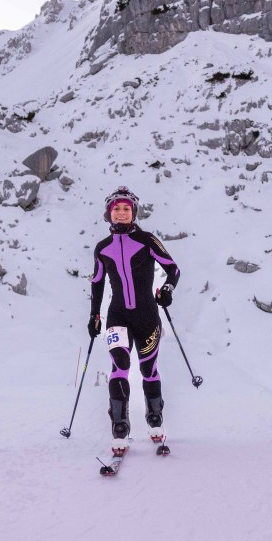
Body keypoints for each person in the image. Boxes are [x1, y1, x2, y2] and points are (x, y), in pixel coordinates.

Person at [88, 186, 180, 454]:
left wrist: (167, 290)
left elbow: (173, 270)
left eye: (126, 208)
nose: (121, 212)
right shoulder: (102, 248)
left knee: (148, 369)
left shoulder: (147, 240)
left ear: (134, 212)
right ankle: (119, 427)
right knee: (119, 366)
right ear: (109, 213)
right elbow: (97, 283)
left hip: (147, 315)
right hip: (117, 315)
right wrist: (94, 316)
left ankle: (155, 419)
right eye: (116, 208)